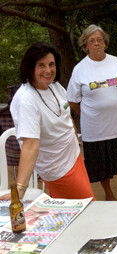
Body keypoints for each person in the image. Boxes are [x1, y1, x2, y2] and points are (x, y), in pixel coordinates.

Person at [0, 42, 95, 201]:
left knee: (68, 210)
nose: (48, 70)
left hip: (73, 157)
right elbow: (30, 146)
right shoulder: (26, 100)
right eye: (41, 65)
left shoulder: (55, 86)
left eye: (51, 64)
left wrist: (77, 144)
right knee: (88, 208)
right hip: (58, 168)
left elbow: (66, 115)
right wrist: (20, 190)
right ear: (30, 68)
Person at [67, 24, 117, 201]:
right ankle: (109, 193)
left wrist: (114, 103)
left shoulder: (116, 62)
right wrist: (89, 113)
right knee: (101, 164)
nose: (96, 43)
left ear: (105, 42)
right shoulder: (80, 69)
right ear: (85, 46)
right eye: (92, 41)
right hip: (97, 128)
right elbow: (72, 99)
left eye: (100, 40)